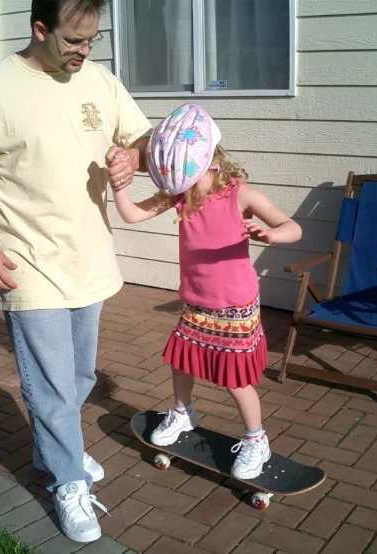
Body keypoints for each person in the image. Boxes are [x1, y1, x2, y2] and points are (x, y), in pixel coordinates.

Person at [0, 0, 151, 543]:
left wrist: (133, 159)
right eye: (73, 41)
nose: (83, 52)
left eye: (91, 40)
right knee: (51, 385)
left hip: (89, 257)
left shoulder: (100, 80)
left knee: (78, 378)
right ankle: (68, 483)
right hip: (25, 263)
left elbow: (140, 142)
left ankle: (55, 451)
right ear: (38, 29)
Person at [109, 103, 302, 479]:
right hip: (197, 302)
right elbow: (132, 214)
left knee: (236, 380)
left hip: (235, 307)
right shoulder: (180, 195)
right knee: (182, 361)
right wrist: (119, 187)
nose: (184, 189)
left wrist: (273, 234)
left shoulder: (241, 196)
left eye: (188, 179)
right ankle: (183, 413)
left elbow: (293, 227)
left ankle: (256, 439)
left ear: (212, 164)